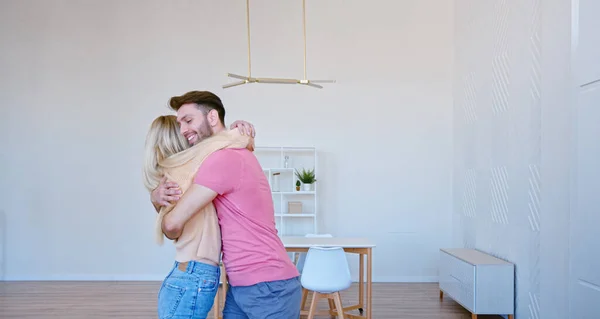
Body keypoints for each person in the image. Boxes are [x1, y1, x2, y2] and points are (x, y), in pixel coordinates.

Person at [152, 91, 302, 319]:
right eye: (180, 123)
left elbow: (172, 224)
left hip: (268, 286)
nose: (183, 130)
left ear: (212, 117)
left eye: (189, 120)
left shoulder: (223, 159)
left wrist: (158, 206)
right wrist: (156, 196)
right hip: (244, 284)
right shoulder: (227, 152)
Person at [143, 115, 255, 319]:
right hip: (193, 273)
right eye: (183, 127)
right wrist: (239, 129)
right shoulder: (185, 172)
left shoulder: (186, 171)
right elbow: (171, 228)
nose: (188, 130)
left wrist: (154, 198)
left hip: (189, 272)